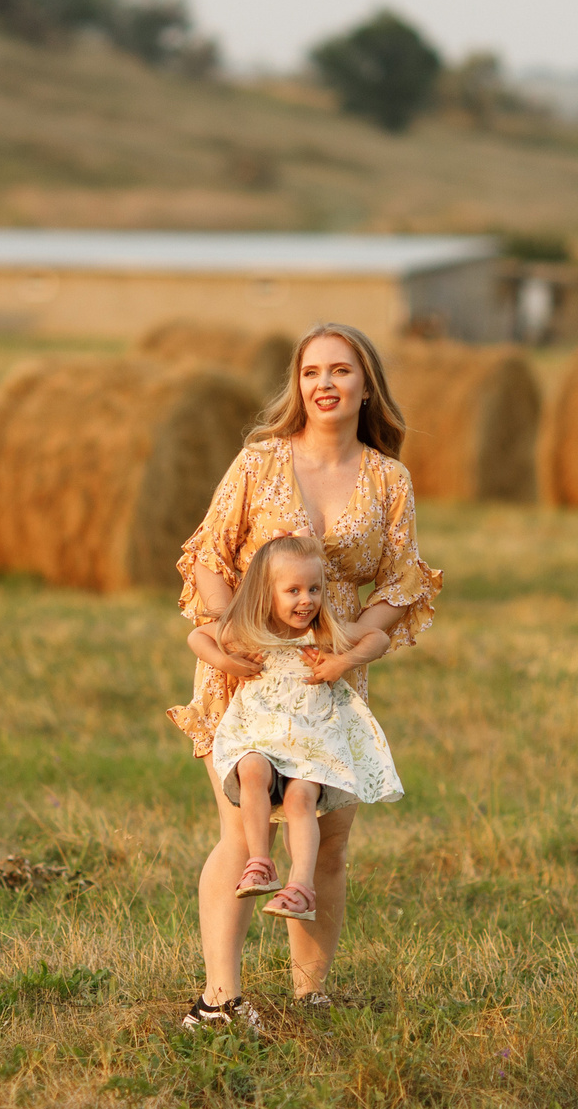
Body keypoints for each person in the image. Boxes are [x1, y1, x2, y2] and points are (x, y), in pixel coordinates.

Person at [171, 323, 441, 1034]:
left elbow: (402, 581)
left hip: (330, 680)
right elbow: (208, 553)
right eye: (311, 371)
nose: (325, 383)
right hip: (248, 671)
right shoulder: (260, 461)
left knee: (329, 840)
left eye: (341, 370)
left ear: (366, 384)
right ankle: (219, 1001)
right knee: (242, 831)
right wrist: (231, 634)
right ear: (297, 384)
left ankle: (309, 997)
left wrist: (347, 647)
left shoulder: (388, 478)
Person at [195, 534, 404, 926]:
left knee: (300, 798)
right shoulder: (250, 631)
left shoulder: (322, 634)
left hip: (311, 741)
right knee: (251, 770)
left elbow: (377, 638)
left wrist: (342, 663)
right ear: (265, 592)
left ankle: (301, 887)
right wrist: (229, 663)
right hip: (260, 734)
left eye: (314, 589)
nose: (306, 600)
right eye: (293, 590)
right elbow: (198, 636)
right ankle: (260, 863)